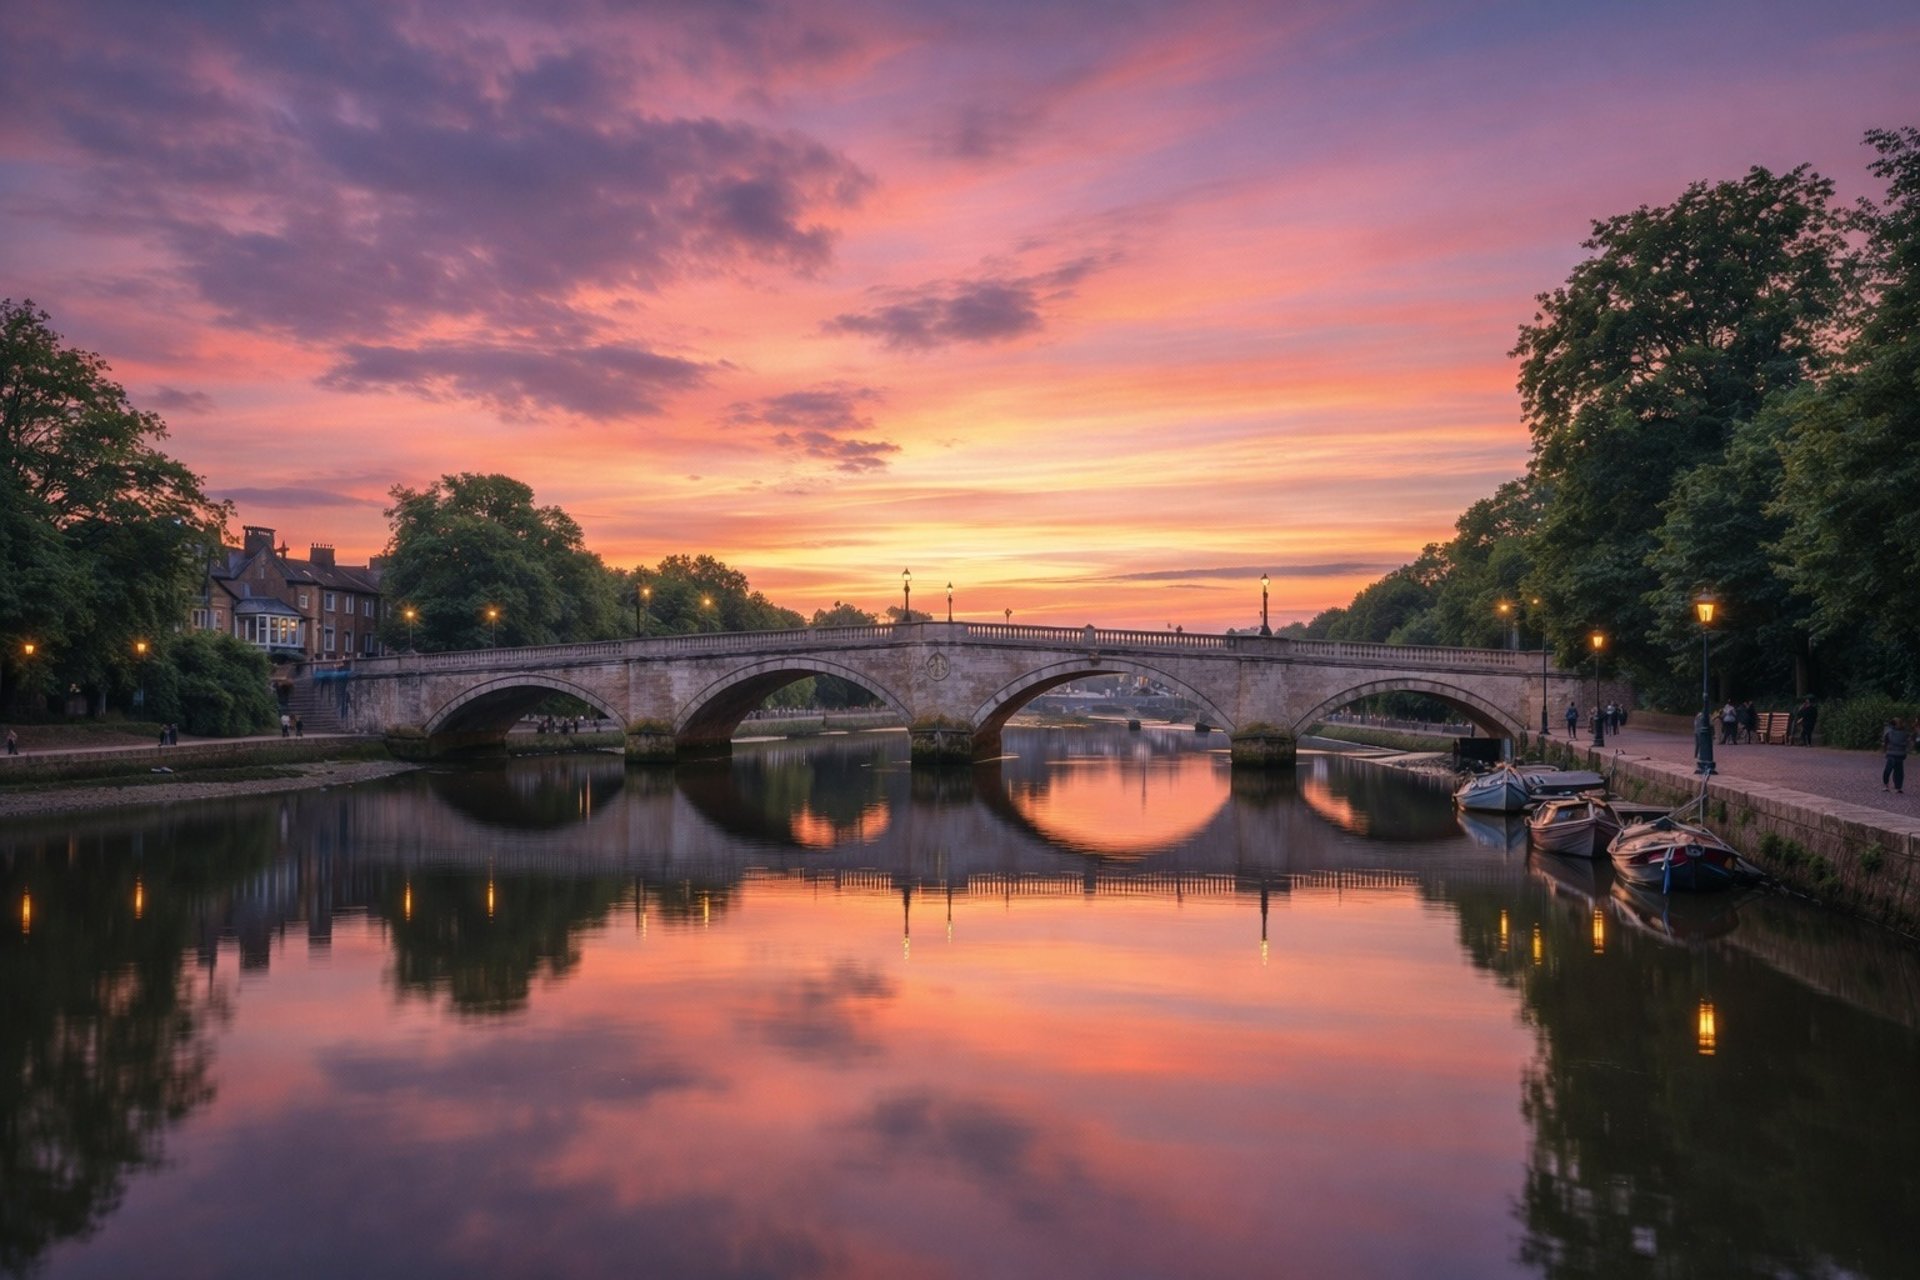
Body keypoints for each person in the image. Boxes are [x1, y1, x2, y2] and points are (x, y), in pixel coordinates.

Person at [1884, 718, 1910, 794]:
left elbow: (1886, 741)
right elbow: (1907, 742)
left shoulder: (1888, 731)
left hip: (1891, 753)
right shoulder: (1905, 732)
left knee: (1888, 770)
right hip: (1900, 754)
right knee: (1899, 771)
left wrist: (1885, 749)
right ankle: (1898, 787)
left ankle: (1886, 785)